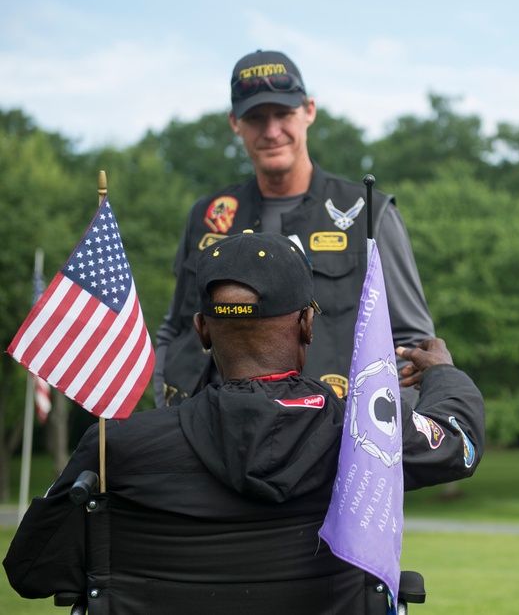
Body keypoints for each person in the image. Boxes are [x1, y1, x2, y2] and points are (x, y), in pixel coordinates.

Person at [5, 231, 486, 612]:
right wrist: (442, 373)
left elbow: (32, 570)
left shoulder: (117, 448)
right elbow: (459, 443)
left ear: (202, 330)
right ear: (307, 324)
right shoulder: (362, 436)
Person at [155, 49, 435, 407]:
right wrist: (169, 408)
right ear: (235, 123)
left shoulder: (370, 213)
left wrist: (380, 432)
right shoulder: (207, 215)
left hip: (334, 431)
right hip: (214, 431)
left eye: (283, 114)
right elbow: (176, 329)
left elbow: (412, 342)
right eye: (256, 118)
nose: (272, 132)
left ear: (309, 111)